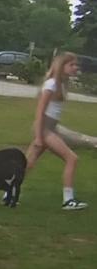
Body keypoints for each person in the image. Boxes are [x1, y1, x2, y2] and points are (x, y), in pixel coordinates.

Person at [26, 52, 88, 210]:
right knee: (72, 158)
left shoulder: (61, 83)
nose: (75, 68)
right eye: (72, 65)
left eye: (76, 65)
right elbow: (40, 112)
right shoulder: (51, 84)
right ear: (62, 66)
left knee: (28, 163)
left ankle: (8, 194)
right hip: (45, 128)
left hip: (51, 128)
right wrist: (39, 137)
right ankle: (68, 200)